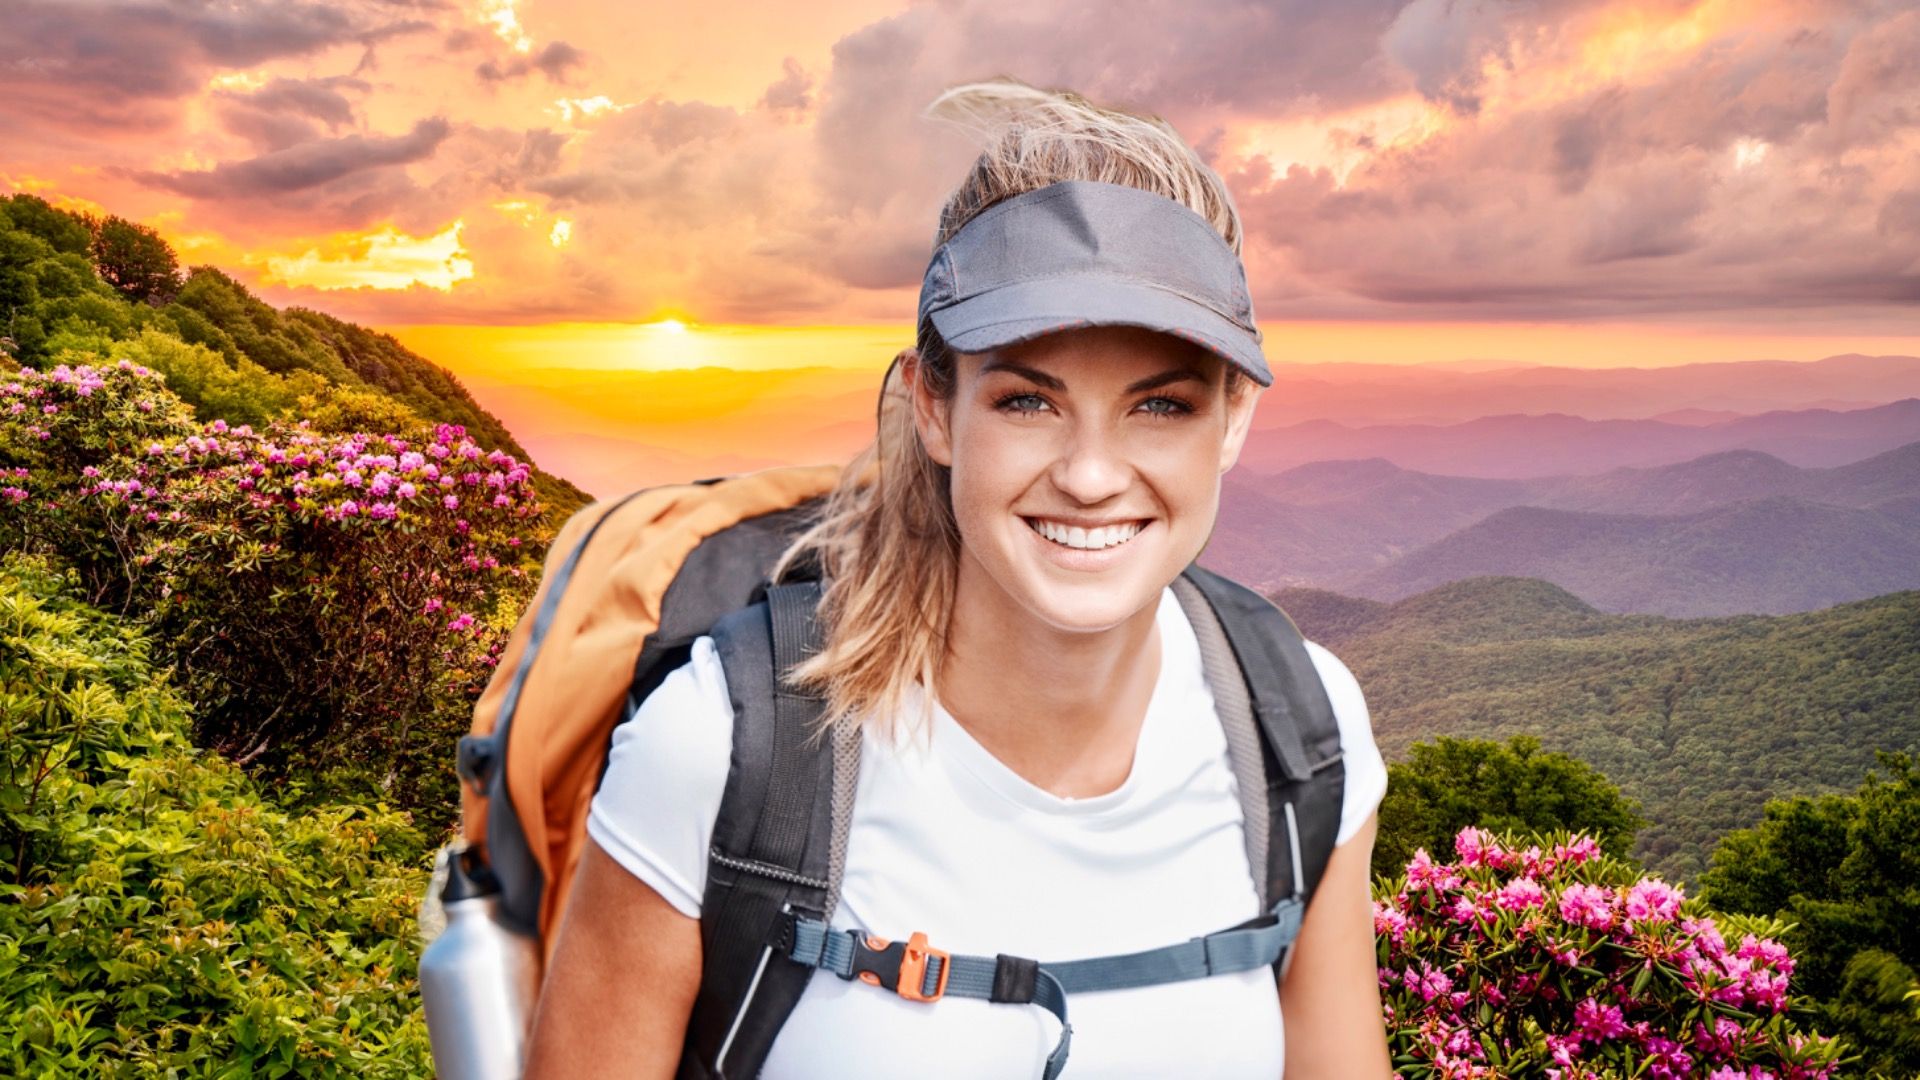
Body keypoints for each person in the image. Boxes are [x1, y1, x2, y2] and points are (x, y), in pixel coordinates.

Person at [523, 77, 1393, 1079]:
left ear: (1233, 419)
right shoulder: (725, 749)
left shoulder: (1302, 733)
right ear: (933, 406)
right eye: (1028, 402)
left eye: (1162, 407)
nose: (1092, 475)